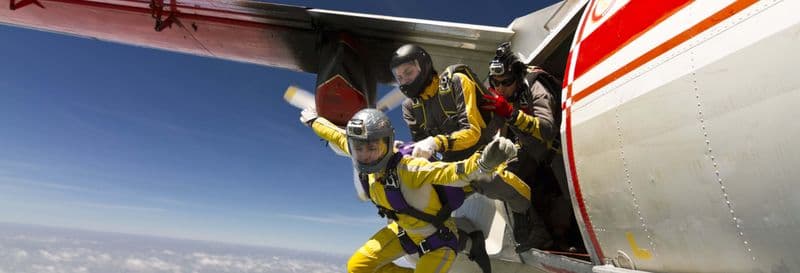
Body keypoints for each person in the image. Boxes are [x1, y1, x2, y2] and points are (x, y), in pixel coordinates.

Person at [300, 107, 517, 273]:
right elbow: (337, 135)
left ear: (387, 143)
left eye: (372, 148)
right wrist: (314, 121)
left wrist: (483, 164)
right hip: (403, 231)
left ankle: (468, 242)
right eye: (359, 148)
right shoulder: (360, 148)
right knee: (357, 268)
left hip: (439, 240)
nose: (365, 155)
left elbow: (451, 173)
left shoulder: (409, 167)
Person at [390, 44, 532, 216]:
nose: (404, 80)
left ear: (424, 66)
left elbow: (472, 132)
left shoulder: (456, 81)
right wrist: (404, 152)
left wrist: (436, 142)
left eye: (408, 72)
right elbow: (423, 150)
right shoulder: (410, 107)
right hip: (451, 166)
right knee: (417, 198)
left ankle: (532, 221)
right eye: (399, 77)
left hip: (482, 151)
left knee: (495, 185)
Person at [480, 42, 580, 252]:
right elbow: (489, 130)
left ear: (517, 77)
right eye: (495, 82)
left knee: (574, 200)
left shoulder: (536, 87)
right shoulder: (503, 96)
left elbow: (547, 129)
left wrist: (510, 113)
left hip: (556, 150)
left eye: (506, 82)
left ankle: (575, 240)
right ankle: (536, 231)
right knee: (496, 179)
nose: (500, 88)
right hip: (530, 150)